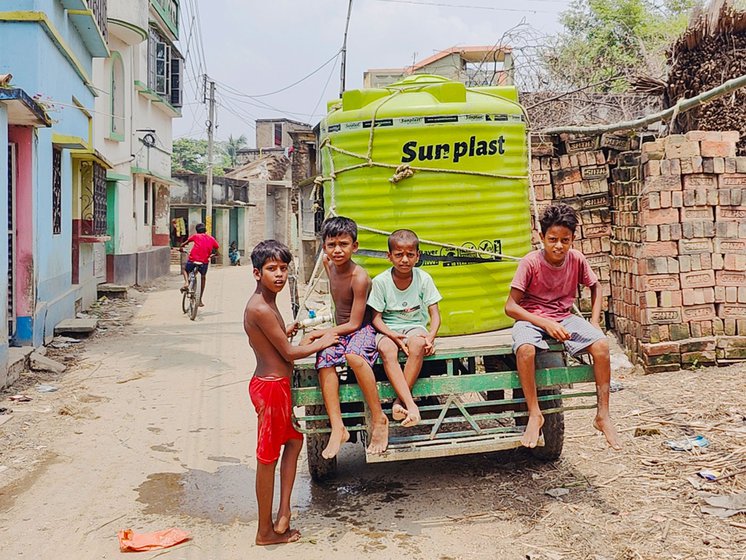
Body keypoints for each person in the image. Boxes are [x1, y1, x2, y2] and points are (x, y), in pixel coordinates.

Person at [505, 203, 621, 450]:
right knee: (525, 349)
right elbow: (511, 307)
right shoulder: (530, 262)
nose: (558, 245)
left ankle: (603, 414)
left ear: (573, 240)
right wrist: (545, 322)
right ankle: (535, 413)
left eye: (565, 240)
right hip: (531, 318)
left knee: (601, 345)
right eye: (553, 239)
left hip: (564, 317)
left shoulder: (576, 259)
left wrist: (594, 322)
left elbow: (596, 286)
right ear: (541, 237)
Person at [244, 240, 338, 545]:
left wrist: (287, 330)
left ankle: (283, 513)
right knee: (267, 458)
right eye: (272, 269)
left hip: (276, 386)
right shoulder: (260, 307)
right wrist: (321, 343)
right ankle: (264, 531)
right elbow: (287, 354)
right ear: (257, 273)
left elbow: (270, 340)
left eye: (284, 268)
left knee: (295, 441)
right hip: (270, 388)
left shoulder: (268, 302)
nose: (279, 274)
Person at [305, 216, 390, 459]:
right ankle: (338, 427)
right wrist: (325, 337)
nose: (337, 250)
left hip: (362, 329)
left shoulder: (359, 278)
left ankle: (378, 417)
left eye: (343, 244)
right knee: (325, 356)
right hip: (342, 329)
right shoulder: (327, 263)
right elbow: (341, 324)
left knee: (353, 355)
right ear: (324, 247)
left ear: (355, 246)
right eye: (331, 245)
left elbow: (355, 322)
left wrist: (321, 332)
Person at [368, 229, 442, 428]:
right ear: (389, 256)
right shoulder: (381, 282)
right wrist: (392, 335)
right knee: (386, 349)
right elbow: (376, 318)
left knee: (417, 344)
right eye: (399, 255)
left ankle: (400, 402)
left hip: (414, 327)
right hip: (388, 328)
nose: (404, 260)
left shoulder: (423, 278)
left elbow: (435, 315)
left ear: (418, 256)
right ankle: (411, 405)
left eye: (410, 254)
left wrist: (430, 338)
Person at [179, 223, 219, 307]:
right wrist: (215, 254)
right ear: (205, 230)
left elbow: (184, 243)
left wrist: (181, 248)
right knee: (203, 277)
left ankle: (186, 283)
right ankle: (200, 299)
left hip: (193, 259)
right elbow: (217, 247)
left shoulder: (196, 236)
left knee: (185, 270)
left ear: (197, 231)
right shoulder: (211, 238)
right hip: (204, 261)